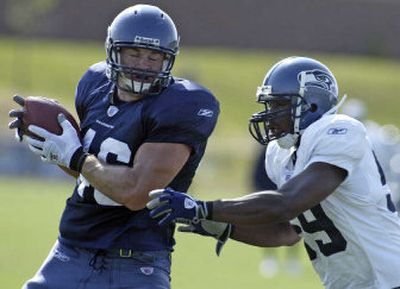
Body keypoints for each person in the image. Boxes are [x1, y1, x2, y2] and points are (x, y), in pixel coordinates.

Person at [8, 4, 219, 289]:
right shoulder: (94, 84)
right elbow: (96, 174)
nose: (143, 65)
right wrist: (55, 147)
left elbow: (135, 192)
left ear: (168, 59)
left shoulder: (182, 106)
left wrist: (76, 157)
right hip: (70, 251)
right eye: (133, 53)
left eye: (154, 57)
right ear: (113, 50)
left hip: (136, 264)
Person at [146, 56, 400, 289]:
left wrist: (202, 208)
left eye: (279, 104)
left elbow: (286, 204)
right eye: (268, 105)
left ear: (312, 104)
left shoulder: (339, 130)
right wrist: (223, 227)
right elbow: (286, 232)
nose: (270, 116)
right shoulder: (281, 155)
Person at [251, 146, 303, 278]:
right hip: (270, 195)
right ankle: (270, 259)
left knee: (294, 227)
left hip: (289, 195)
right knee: (268, 226)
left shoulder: (296, 148)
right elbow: (258, 175)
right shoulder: (268, 149)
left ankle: (292, 260)